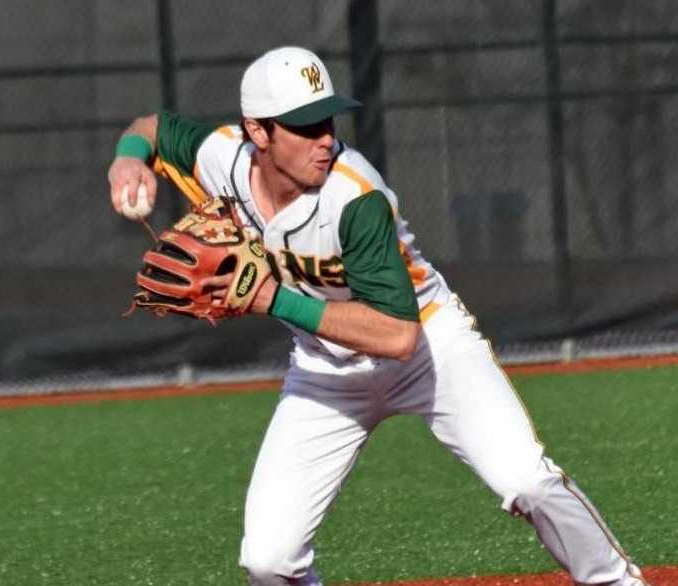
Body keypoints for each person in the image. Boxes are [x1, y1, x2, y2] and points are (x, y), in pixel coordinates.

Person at [108, 46, 649, 586]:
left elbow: (398, 336)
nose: (323, 137)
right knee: (268, 561)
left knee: (526, 481)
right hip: (326, 372)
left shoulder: (354, 195)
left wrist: (275, 299)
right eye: (302, 125)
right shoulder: (221, 158)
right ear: (258, 132)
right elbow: (151, 127)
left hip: (431, 351)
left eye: (326, 118)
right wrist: (129, 158)